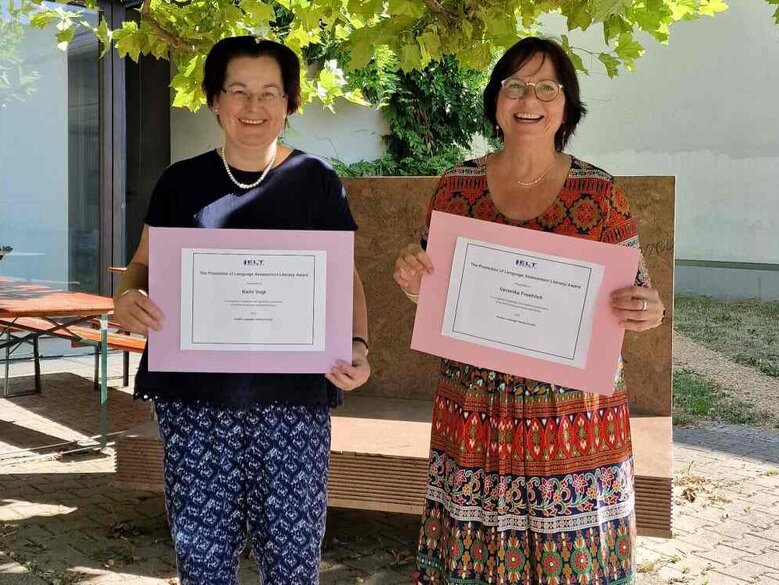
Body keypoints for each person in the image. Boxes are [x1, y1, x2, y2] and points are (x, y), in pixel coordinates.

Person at [394, 37, 664, 584]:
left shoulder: (601, 192)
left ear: (566, 105)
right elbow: (431, 286)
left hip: (574, 422)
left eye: (546, 87)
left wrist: (647, 308)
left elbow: (640, 293)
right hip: (476, 412)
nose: (529, 98)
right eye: (514, 84)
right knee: (474, 559)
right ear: (496, 99)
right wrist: (411, 281)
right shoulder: (456, 187)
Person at [113, 36, 370, 585]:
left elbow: (344, 279)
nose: (253, 108)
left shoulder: (317, 181)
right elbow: (141, 265)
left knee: (293, 566)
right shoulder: (180, 182)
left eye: (269, 93)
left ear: (289, 103)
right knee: (203, 565)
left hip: (295, 404)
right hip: (196, 404)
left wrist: (358, 348)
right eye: (239, 91)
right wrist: (126, 296)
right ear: (214, 100)